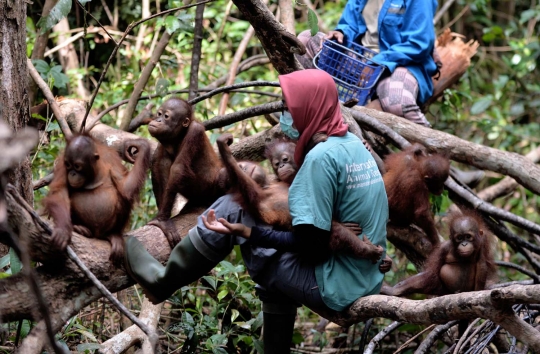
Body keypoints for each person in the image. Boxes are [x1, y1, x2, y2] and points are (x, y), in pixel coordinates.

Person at [202, 69, 389, 353]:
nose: (287, 115)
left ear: (310, 107)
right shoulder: (353, 143)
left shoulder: (319, 158)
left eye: (292, 108)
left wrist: (248, 232)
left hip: (339, 287)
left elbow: (309, 248)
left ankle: (168, 278)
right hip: (370, 276)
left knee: (257, 245)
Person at [298, 0, 439, 127]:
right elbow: (349, 24)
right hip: (360, 64)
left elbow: (419, 43)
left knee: (396, 102)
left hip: (399, 66)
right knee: (307, 39)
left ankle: (430, 147)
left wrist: (377, 63)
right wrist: (340, 32)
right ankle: (312, 114)